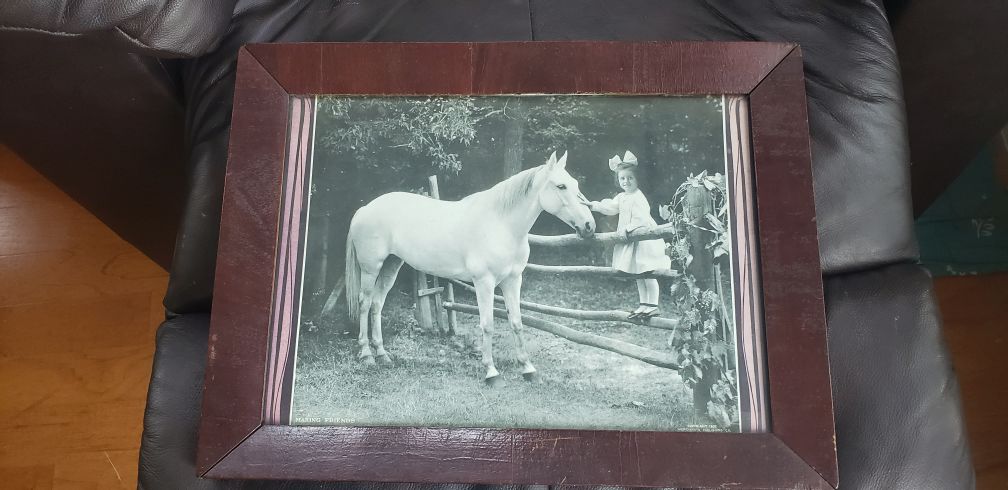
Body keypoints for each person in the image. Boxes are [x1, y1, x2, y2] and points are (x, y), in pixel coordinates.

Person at [589, 151, 671, 319]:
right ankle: (643, 304)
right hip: (632, 239)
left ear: (637, 179)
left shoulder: (638, 196)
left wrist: (630, 228)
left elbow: (642, 217)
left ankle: (653, 305)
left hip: (643, 238)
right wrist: (594, 206)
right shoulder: (621, 197)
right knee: (638, 274)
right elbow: (611, 208)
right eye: (622, 178)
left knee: (647, 272)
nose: (626, 181)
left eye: (630, 178)